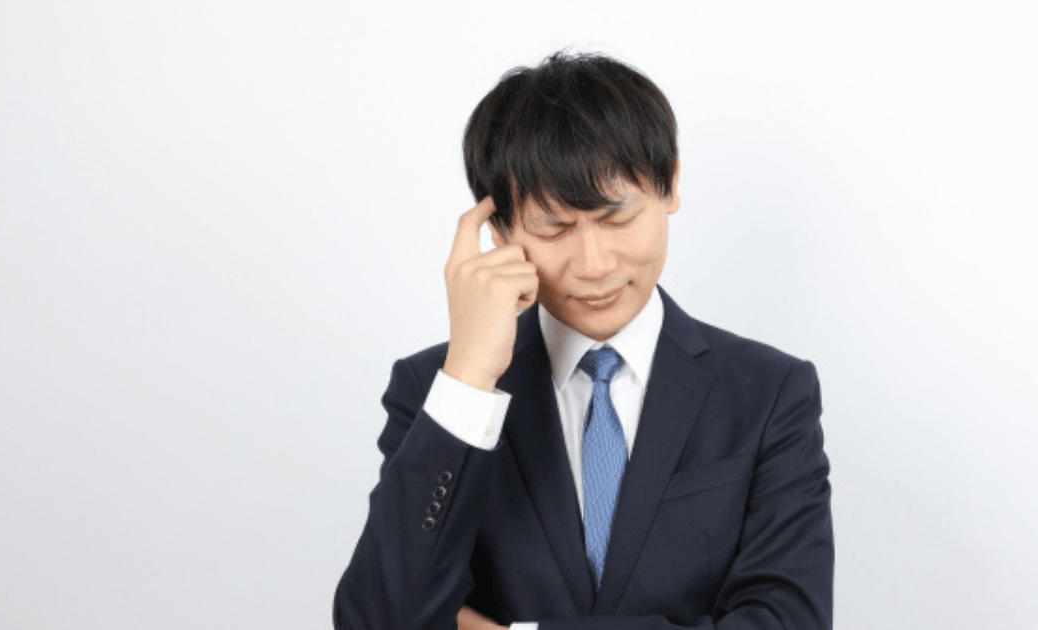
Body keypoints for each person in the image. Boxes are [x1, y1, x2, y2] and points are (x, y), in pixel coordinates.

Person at [334, 52, 833, 630]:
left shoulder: (771, 392)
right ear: (499, 230)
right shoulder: (437, 391)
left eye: (617, 218)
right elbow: (378, 621)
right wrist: (469, 378)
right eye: (554, 228)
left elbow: (790, 622)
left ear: (670, 184)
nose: (593, 265)